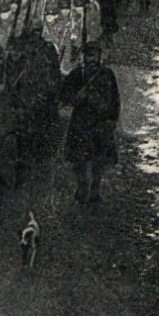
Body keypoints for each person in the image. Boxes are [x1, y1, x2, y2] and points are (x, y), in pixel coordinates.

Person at [61, 42, 120, 204]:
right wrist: (75, 97)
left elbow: (115, 99)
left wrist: (112, 119)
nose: (91, 58)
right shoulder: (77, 75)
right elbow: (65, 95)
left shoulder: (107, 75)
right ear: (84, 56)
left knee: (99, 160)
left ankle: (95, 189)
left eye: (94, 55)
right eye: (88, 55)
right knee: (79, 159)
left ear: (99, 56)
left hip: (100, 123)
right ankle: (82, 186)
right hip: (81, 122)